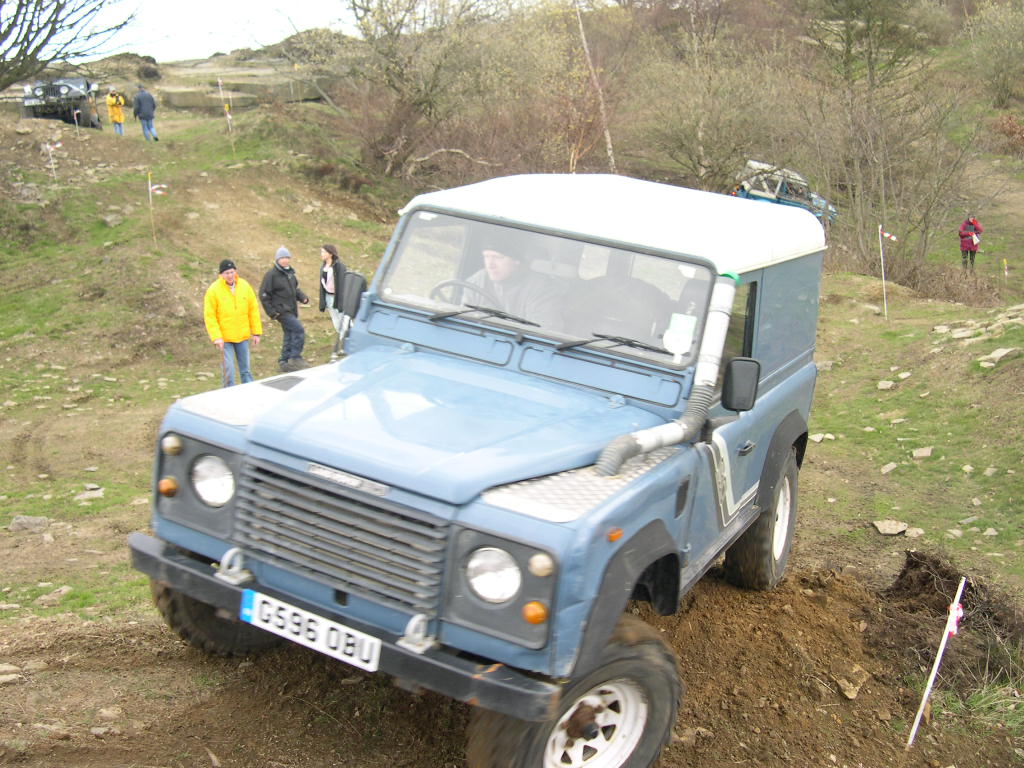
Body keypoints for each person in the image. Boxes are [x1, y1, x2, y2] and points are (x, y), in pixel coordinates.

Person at [467, 246, 563, 328]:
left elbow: (542, 333)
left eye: (498, 257)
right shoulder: (478, 280)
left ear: (516, 261)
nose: (490, 265)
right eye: (486, 256)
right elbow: (465, 317)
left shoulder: (542, 288)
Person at [203, 259, 262, 387]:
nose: (230, 275)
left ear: (235, 272)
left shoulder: (245, 286)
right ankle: (228, 395)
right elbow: (210, 316)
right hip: (225, 339)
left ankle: (250, 393)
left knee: (246, 371)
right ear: (221, 275)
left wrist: (256, 332)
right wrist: (216, 337)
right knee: (228, 371)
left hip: (242, 336)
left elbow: (253, 309)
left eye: (232, 272)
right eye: (226, 273)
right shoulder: (213, 290)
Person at [260, 246, 311, 372]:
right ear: (277, 259)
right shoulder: (271, 275)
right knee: (298, 329)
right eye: (282, 258)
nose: (285, 260)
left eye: (287, 257)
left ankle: (284, 362)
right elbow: (264, 294)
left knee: (289, 334)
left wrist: (302, 297)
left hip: (291, 309)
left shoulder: (290, 274)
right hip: (281, 311)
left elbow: (295, 289)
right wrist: (272, 312)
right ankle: (295, 358)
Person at [318, 244, 347, 361]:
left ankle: (346, 344)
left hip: (338, 297)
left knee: (344, 321)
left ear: (330, 253)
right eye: (321, 252)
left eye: (323, 252)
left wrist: (342, 299)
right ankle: (342, 343)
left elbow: (343, 283)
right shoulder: (323, 267)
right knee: (336, 322)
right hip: (328, 297)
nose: (321, 254)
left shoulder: (339, 266)